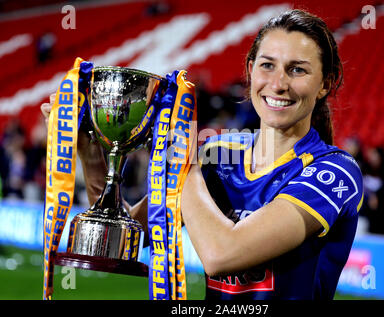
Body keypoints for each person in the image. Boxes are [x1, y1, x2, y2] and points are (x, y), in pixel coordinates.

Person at [41, 9, 363, 300]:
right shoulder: (218, 155)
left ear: (326, 83)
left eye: (297, 70)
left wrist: (184, 158)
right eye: (267, 66)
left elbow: (221, 254)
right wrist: (91, 151)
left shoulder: (334, 172)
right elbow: (126, 241)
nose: (278, 84)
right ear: (251, 71)